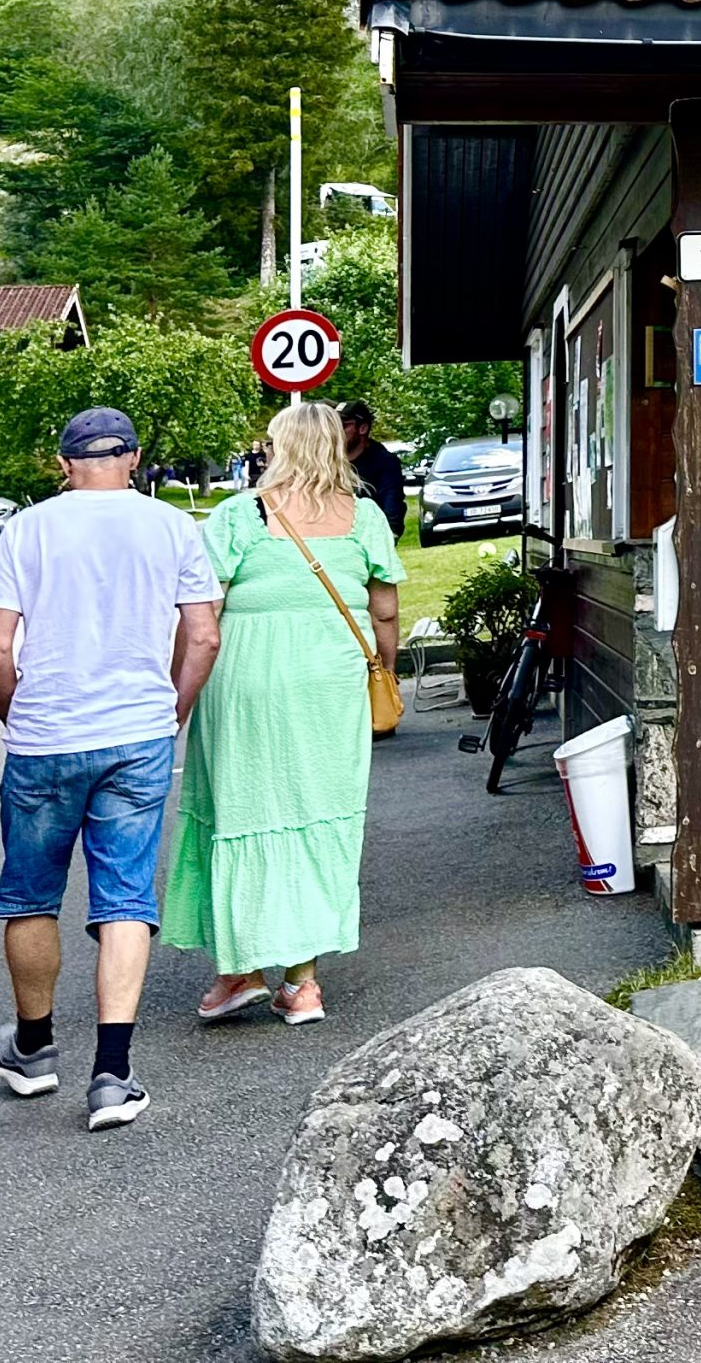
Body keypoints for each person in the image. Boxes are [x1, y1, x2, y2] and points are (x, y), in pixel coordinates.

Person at [0, 407, 222, 1132]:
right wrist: (170, 712)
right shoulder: (174, 527)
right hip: (136, 736)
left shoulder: (27, 529)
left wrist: (12, 711)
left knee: (29, 895)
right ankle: (113, 1076)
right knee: (124, 898)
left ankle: (33, 1049)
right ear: (136, 459)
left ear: (63, 464)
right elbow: (203, 635)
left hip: (45, 738)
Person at [161, 398, 404, 1027]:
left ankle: (239, 969)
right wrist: (385, 669)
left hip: (245, 677)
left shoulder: (239, 516)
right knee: (317, 815)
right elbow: (384, 611)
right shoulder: (365, 516)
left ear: (278, 447)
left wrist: (174, 693)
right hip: (328, 679)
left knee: (240, 811)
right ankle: (303, 984)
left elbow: (200, 618)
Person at [337, 401, 407, 541]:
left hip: (368, 541)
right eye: (333, 426)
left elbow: (392, 507)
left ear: (362, 428)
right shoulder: (327, 461)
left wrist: (387, 540)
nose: (336, 432)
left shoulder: (384, 463)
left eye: (343, 426)